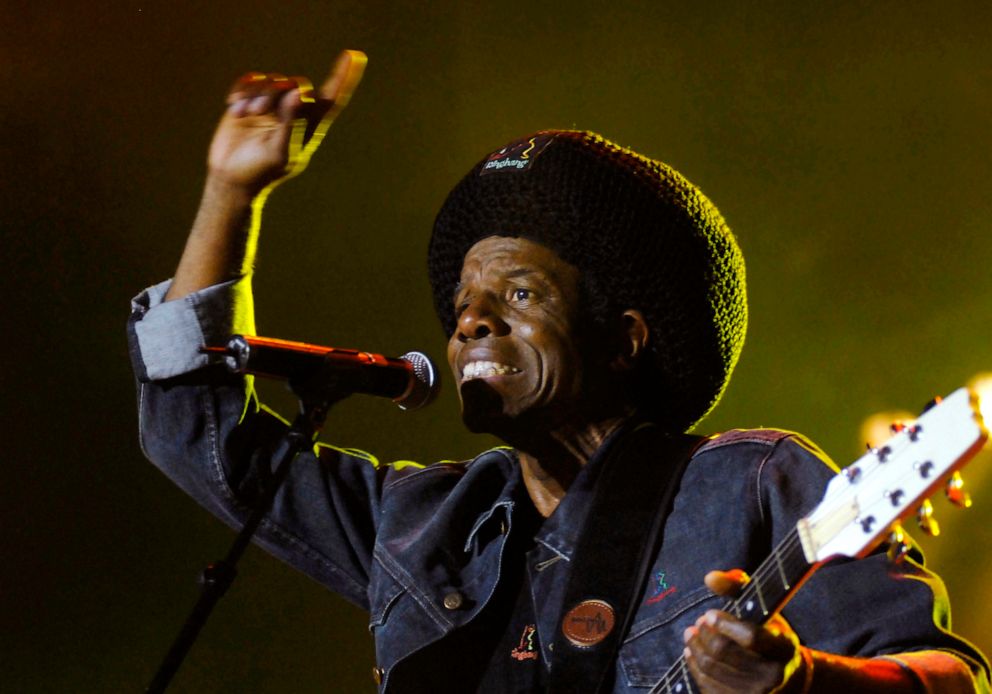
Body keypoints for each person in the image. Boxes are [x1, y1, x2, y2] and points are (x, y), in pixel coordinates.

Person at [128, 50, 990, 693]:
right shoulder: (423, 521)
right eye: (465, 301)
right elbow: (194, 436)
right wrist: (231, 195)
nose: (471, 318)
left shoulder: (754, 481)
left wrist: (797, 683)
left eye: (519, 292)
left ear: (624, 339)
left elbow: (952, 680)